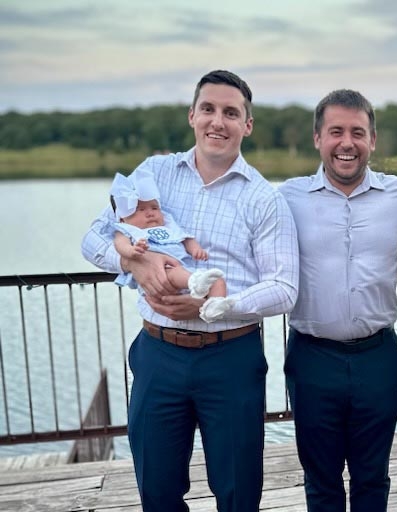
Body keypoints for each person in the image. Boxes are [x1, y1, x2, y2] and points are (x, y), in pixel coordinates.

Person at [81, 69, 299, 512]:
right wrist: (133, 264)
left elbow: (284, 288)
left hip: (231, 358)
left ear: (247, 125)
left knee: (238, 494)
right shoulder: (153, 174)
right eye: (209, 109)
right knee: (157, 493)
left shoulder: (264, 198)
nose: (218, 121)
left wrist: (213, 306)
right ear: (193, 116)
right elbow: (92, 239)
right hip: (158, 355)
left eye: (231, 113)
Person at [278, 89, 397, 512]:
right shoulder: (288, 198)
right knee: (321, 480)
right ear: (317, 138)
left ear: (373, 140)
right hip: (312, 358)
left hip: (378, 356)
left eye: (358, 132)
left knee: (373, 477)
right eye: (336, 131)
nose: (347, 143)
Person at [109, 169, 234, 323]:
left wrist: (195, 250)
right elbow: (120, 245)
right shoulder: (127, 230)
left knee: (217, 280)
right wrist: (133, 252)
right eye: (141, 210)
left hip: (185, 269)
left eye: (154, 208)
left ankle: (214, 307)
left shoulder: (168, 224)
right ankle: (195, 283)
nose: (150, 213)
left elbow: (185, 239)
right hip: (160, 274)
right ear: (123, 218)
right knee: (177, 273)